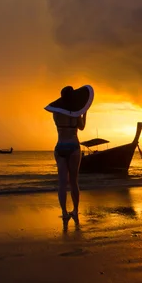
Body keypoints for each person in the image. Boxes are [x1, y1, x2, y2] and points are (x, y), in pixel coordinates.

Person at [53, 86, 87, 230]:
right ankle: (75, 210)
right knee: (73, 181)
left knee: (62, 183)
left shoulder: (55, 113)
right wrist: (84, 113)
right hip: (73, 147)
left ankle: (64, 212)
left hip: (60, 146)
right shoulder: (75, 114)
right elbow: (82, 127)